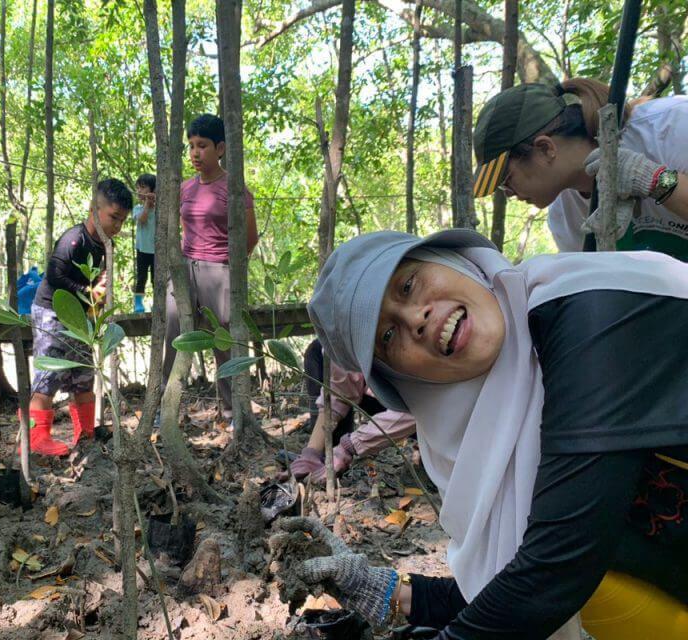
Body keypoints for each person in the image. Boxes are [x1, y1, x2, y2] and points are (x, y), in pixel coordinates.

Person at [286, 229, 688, 639]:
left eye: (408, 285)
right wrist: (392, 592)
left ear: (453, 259)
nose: (415, 319)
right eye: (388, 337)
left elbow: (556, 569)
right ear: (402, 378)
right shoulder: (499, 418)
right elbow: (514, 578)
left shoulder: (589, 310)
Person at [472, 80, 688, 256]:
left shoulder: (670, 128)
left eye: (506, 179)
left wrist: (655, 180)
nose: (509, 193)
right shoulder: (565, 218)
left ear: (546, 148)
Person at [24, 179, 132, 457]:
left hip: (80, 320)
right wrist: (88, 290)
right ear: (94, 209)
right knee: (48, 375)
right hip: (52, 312)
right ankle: (37, 437)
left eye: (122, 221)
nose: (117, 226)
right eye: (114, 218)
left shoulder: (105, 247)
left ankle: (85, 433)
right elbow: (54, 275)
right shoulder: (74, 239)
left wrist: (98, 298)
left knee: (84, 376)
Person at [162, 114, 259, 418]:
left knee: (224, 343)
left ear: (220, 148)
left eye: (201, 145)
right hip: (185, 271)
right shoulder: (186, 189)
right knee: (174, 335)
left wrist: (228, 270)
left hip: (220, 271)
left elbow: (250, 237)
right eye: (191, 146)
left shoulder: (234, 189)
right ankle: (168, 409)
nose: (194, 152)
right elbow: (184, 227)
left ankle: (232, 410)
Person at [288, 339, 416, 483]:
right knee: (316, 350)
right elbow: (340, 391)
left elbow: (420, 407)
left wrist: (349, 446)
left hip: (431, 409)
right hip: (395, 397)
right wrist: (311, 453)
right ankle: (325, 461)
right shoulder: (340, 333)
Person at [132, 174, 157, 313]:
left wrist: (155, 201)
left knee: (156, 279)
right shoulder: (137, 208)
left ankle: (157, 304)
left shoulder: (161, 209)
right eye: (138, 188)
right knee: (141, 278)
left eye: (143, 188)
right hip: (142, 250)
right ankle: (138, 304)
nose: (139, 191)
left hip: (156, 251)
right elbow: (142, 219)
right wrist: (147, 205)